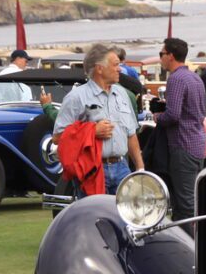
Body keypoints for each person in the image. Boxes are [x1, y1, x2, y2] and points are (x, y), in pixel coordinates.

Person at [52, 44, 144, 196]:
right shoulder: (76, 97)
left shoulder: (122, 94)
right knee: (94, 218)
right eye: (115, 65)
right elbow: (58, 138)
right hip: (92, 170)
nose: (120, 69)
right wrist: (92, 131)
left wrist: (140, 169)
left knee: (128, 218)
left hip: (122, 168)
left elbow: (131, 134)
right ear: (99, 69)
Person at [154, 37, 206, 218]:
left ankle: (189, 244)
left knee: (185, 206)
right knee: (192, 200)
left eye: (162, 54)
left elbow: (173, 115)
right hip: (198, 143)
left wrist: (157, 117)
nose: (160, 58)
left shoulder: (176, 79)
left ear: (171, 55)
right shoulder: (195, 77)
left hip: (182, 145)